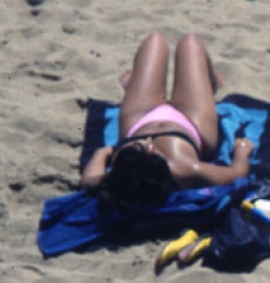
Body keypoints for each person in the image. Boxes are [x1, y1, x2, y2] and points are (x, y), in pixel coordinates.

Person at [80, 32, 255, 211]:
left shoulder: (117, 178)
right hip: (190, 122)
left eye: (139, 147)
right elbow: (236, 174)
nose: (149, 143)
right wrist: (241, 152)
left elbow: (89, 180)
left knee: (154, 40)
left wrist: (103, 152)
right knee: (190, 43)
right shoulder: (185, 169)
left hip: (139, 119)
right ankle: (211, 84)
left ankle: (134, 88)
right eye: (152, 152)